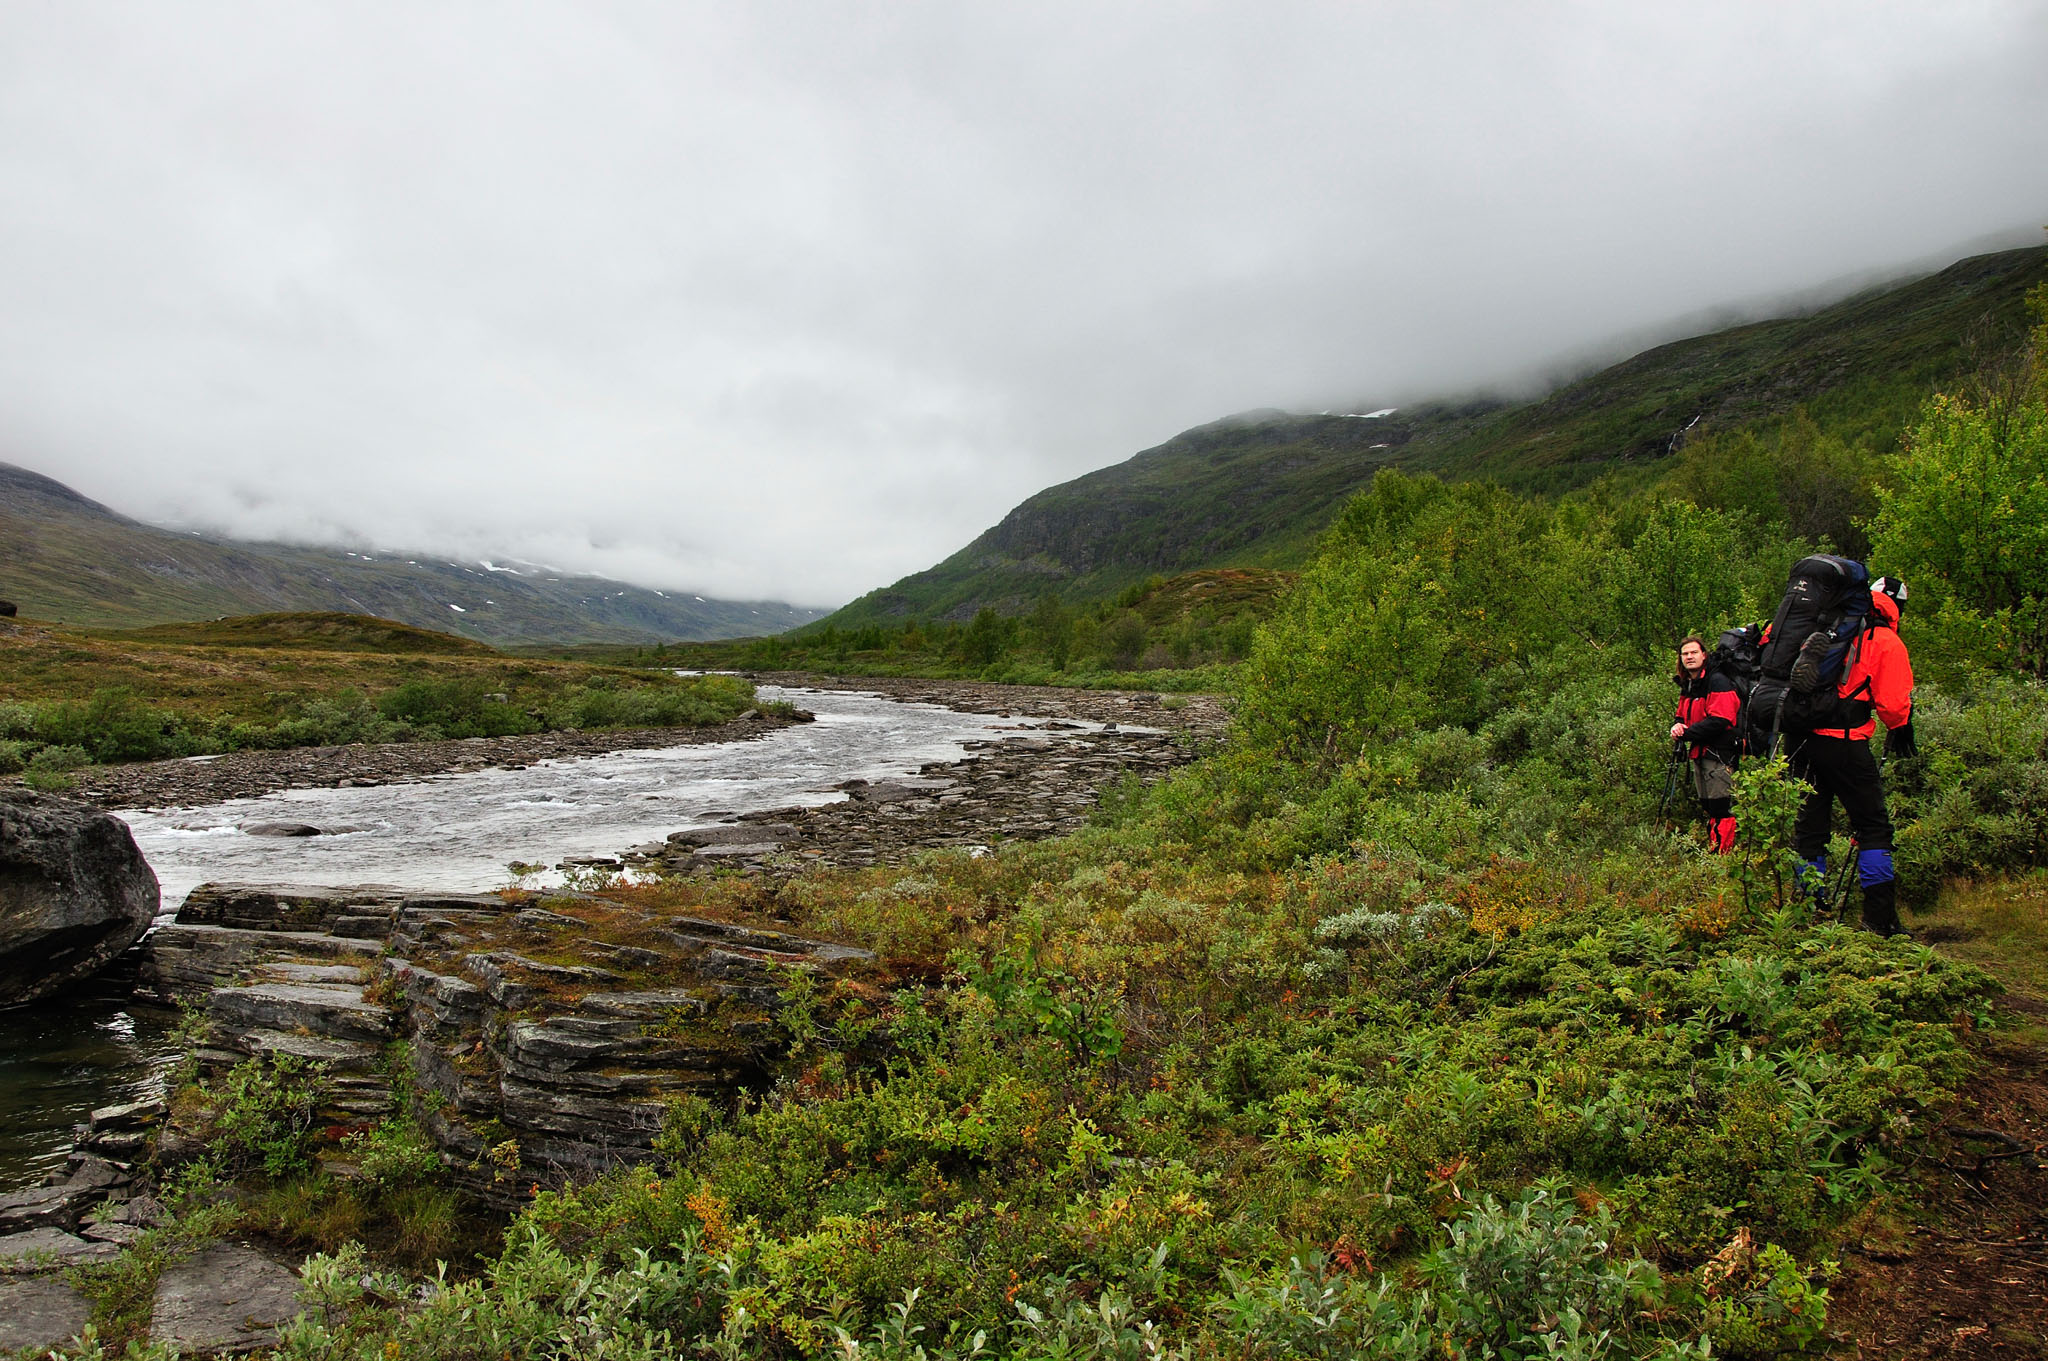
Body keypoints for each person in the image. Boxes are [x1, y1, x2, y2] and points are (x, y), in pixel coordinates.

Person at [1785, 576, 1916, 936]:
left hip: (1801, 741)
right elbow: (1892, 706)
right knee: (1873, 828)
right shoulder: (1884, 640)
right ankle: (1878, 919)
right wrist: (1902, 723)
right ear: (1897, 607)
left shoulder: (1825, 626)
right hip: (1846, 743)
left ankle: (1809, 909)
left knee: (1810, 831)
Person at [1670, 636, 1740, 852]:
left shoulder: (1717, 681)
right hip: (1700, 752)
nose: (1689, 657)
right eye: (1685, 654)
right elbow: (1681, 715)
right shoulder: (1689, 685)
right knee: (1709, 805)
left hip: (1720, 752)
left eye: (1693, 652)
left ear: (1704, 655)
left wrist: (1688, 733)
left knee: (1722, 806)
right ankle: (1715, 851)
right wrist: (1678, 726)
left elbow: (1721, 719)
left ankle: (1724, 856)